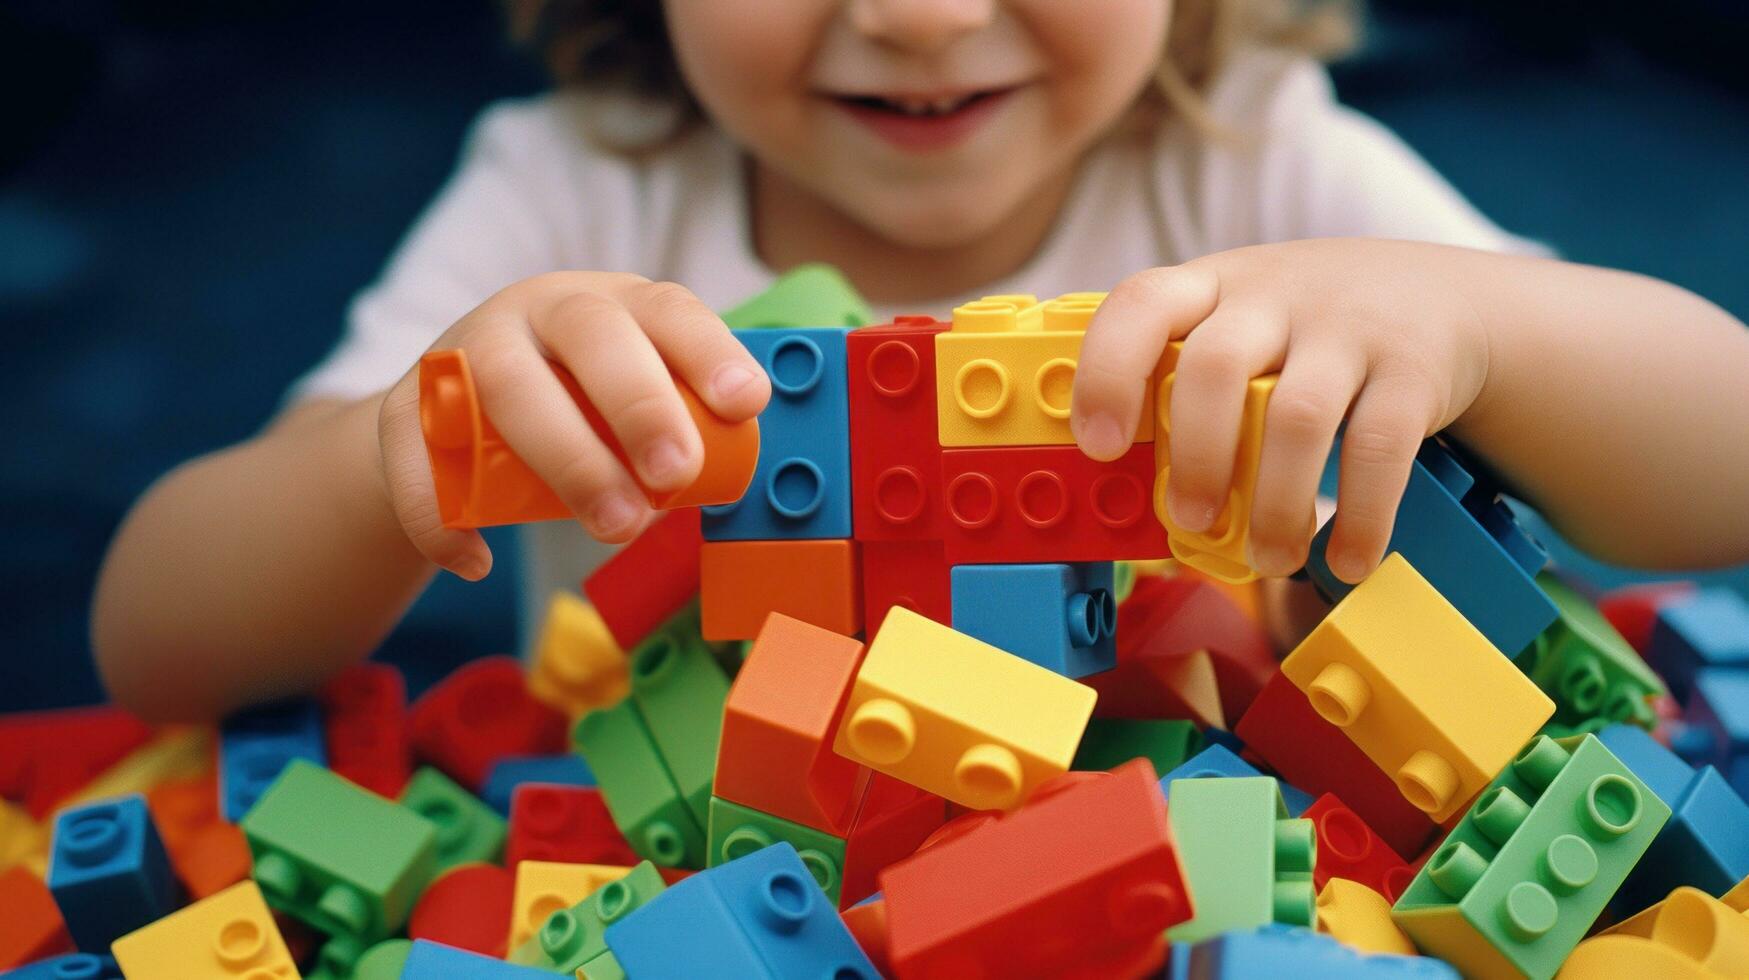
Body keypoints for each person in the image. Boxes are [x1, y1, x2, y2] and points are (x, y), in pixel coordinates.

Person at [92, 0, 1749, 720]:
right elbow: (159, 645)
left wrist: (1470, 325)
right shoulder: (569, 193)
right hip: (680, 890)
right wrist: (405, 451)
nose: (922, 19)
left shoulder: (1253, 168)